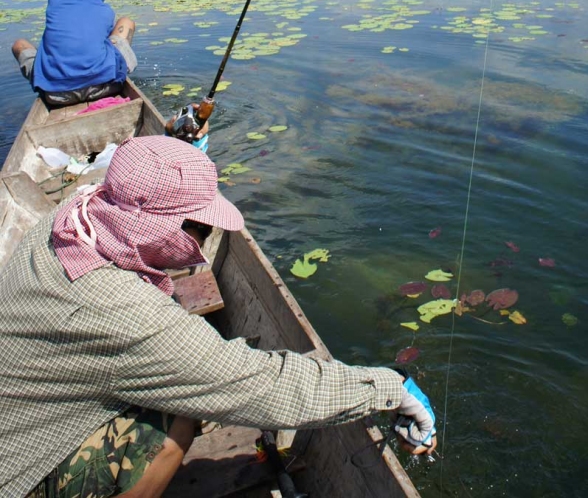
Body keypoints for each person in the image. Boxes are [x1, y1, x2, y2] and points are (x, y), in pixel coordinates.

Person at [0, 136, 435, 498]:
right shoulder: (120, 311)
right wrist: (389, 388)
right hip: (17, 476)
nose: (206, 239)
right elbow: (261, 387)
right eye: (202, 228)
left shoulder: (72, 217)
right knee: (174, 419)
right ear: (161, 226)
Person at [11, 0, 136, 107]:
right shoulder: (105, 11)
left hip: (55, 95)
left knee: (19, 45)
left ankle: (55, 80)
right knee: (126, 23)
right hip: (105, 86)